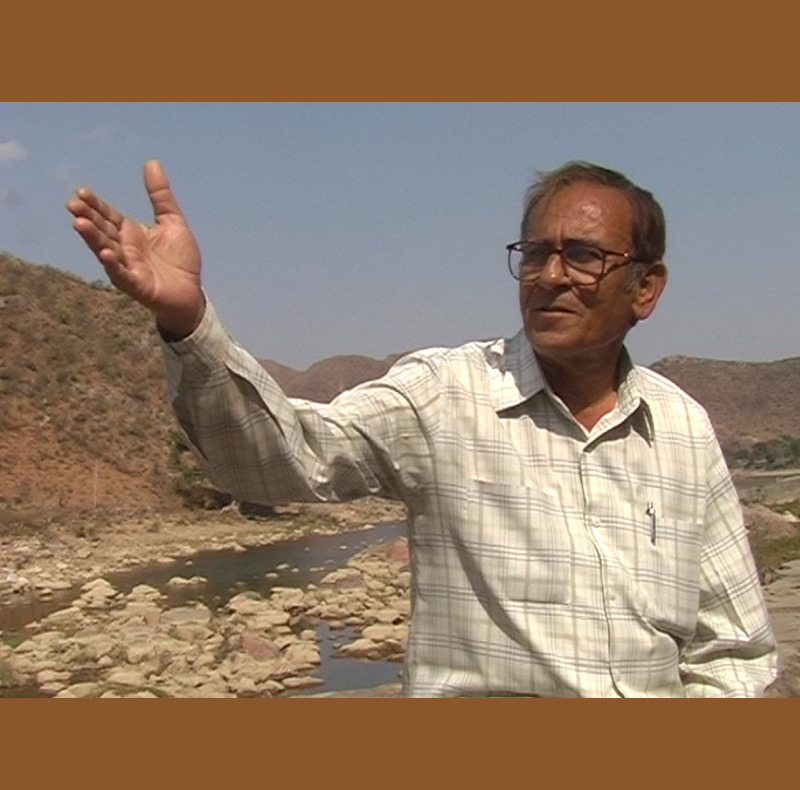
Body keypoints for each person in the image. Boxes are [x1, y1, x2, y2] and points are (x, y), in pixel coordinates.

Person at [67, 159, 778, 697]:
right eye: (536, 254)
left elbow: (734, 652)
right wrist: (188, 321)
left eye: (584, 256)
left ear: (645, 288)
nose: (550, 276)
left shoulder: (682, 429)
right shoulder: (444, 396)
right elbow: (279, 460)